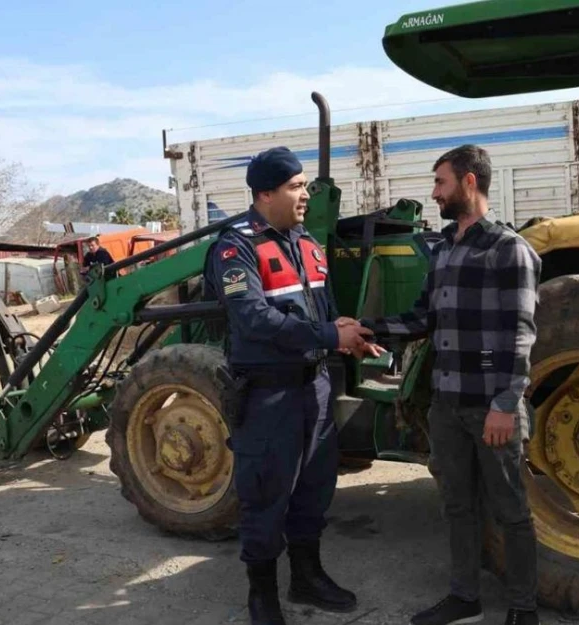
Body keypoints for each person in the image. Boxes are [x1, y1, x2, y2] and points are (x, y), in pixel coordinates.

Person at [359, 144, 543, 625]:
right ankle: (466, 598)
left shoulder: (509, 250)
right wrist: (366, 330)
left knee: (511, 509)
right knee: (457, 505)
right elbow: (422, 318)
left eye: (440, 182)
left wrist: (506, 403)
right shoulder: (443, 249)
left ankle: (524, 608)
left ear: (468, 182)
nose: (434, 193)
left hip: (491, 406)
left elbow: (520, 334)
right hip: (447, 404)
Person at [203, 146, 380, 625]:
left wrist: (346, 333)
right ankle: (262, 596)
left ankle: (306, 576)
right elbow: (254, 318)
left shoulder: (306, 243)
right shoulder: (234, 246)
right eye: (296, 186)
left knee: (314, 489)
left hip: (315, 387)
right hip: (268, 394)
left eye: (304, 185)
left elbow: (321, 310)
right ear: (265, 193)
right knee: (264, 495)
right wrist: (327, 335)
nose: (305, 194)